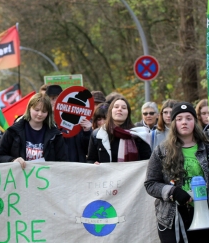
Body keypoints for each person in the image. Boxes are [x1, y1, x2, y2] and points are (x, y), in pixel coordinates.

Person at [145, 102, 209, 242]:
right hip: (171, 217)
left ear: (195, 122)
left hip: (205, 214)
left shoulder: (206, 148)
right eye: (179, 119)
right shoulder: (162, 150)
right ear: (174, 123)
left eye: (188, 118)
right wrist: (172, 192)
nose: (184, 122)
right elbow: (150, 184)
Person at [0, 93, 67, 168]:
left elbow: (63, 162)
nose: (40, 114)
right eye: (36, 110)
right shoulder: (13, 131)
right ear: (29, 109)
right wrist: (13, 160)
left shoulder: (56, 135)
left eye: (44, 111)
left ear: (48, 113)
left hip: (45, 178)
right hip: (20, 177)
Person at [87, 97, 151, 163]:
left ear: (128, 113)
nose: (119, 109)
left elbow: (147, 163)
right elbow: (90, 160)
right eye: (116, 107)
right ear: (110, 111)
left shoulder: (138, 135)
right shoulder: (97, 134)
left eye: (123, 108)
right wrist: (94, 164)